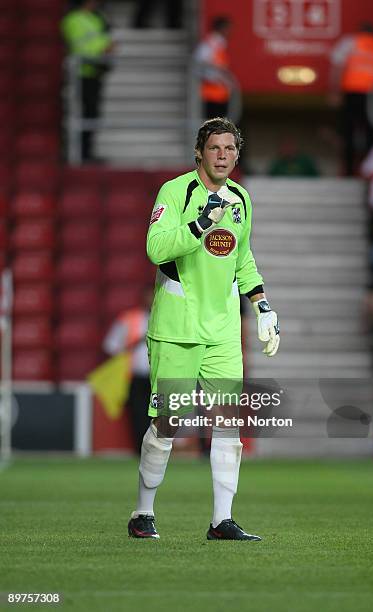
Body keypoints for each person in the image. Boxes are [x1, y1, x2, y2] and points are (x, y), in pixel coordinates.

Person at [127, 117, 280, 541]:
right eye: (215, 148)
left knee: (227, 422)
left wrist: (262, 304)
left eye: (230, 149)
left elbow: (242, 259)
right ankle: (143, 513)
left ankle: (221, 520)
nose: (223, 156)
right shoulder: (175, 192)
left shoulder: (241, 200)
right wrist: (200, 224)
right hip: (177, 327)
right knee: (169, 422)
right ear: (200, 152)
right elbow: (155, 248)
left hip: (223, 330)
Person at [329, 22, 373, 176]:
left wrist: (334, 91)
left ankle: (350, 171)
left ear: (360, 32)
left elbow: (337, 67)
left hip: (353, 93)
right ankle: (370, 170)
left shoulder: (351, 42)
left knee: (348, 132)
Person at [61, 0, 114, 161]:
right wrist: (102, 49)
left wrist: (108, 47)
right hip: (80, 75)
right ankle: (79, 153)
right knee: (81, 113)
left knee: (92, 114)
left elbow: (103, 39)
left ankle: (87, 152)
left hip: (95, 73)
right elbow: (79, 47)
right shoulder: (72, 19)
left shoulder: (96, 18)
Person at [102, 290, 153, 454]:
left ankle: (156, 449)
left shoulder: (167, 317)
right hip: (134, 375)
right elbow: (110, 345)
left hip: (159, 376)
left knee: (159, 414)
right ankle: (140, 449)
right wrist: (131, 345)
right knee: (138, 414)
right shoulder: (128, 319)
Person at [194, 16, 234, 119]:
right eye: (228, 28)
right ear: (222, 28)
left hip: (219, 94)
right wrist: (216, 77)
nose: (230, 32)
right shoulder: (212, 43)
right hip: (211, 94)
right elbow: (200, 61)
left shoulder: (219, 43)